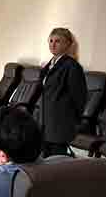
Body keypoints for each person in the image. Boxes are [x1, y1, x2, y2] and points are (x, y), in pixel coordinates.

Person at [36, 27, 88, 157]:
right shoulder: (49, 65)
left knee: (55, 161)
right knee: (43, 159)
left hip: (60, 124)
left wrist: (72, 120)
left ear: (67, 44)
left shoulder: (72, 66)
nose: (53, 44)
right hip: (45, 122)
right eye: (51, 41)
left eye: (57, 41)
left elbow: (79, 97)